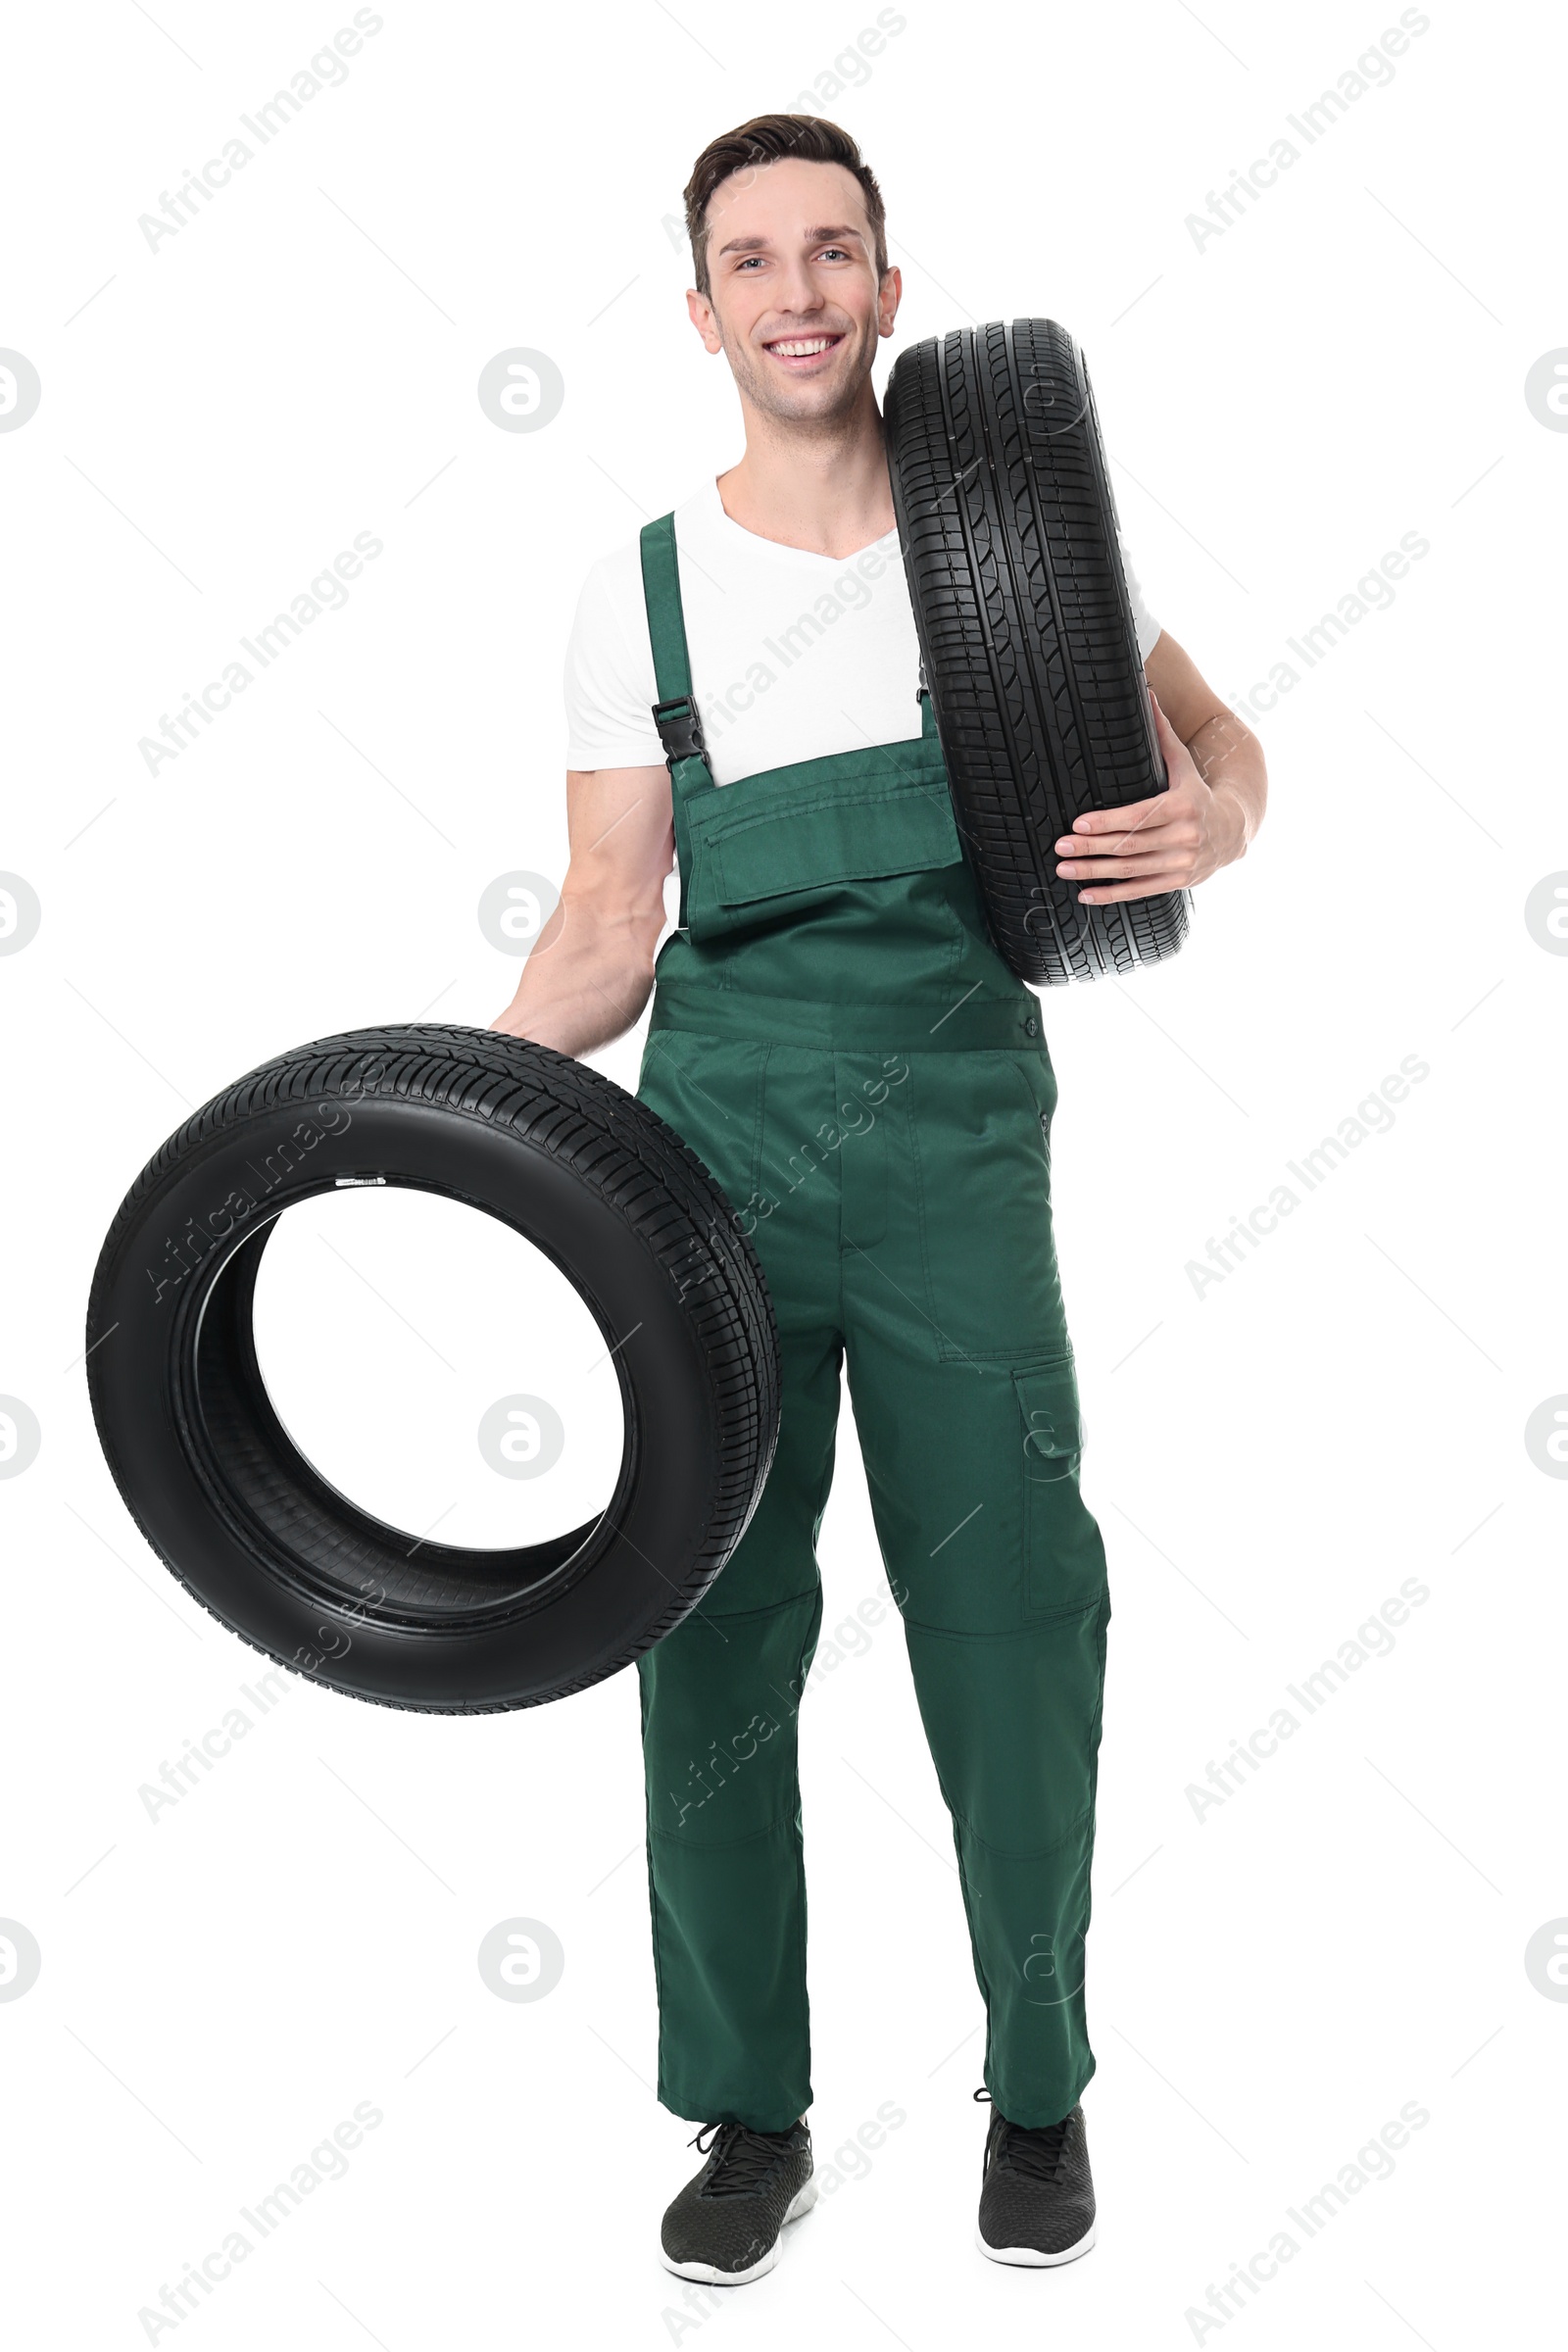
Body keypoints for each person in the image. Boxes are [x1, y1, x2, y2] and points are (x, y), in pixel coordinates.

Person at [493, 113, 1266, 2281]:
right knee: (710, 1637)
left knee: (1014, 1625)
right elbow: (598, 921)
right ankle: (747, 2114)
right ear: (702, 311)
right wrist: (417, 1101)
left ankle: (1038, 2092)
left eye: (833, 248)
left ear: (889, 285)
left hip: (951, 1173)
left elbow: (1217, 747)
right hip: (709, 1183)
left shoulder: (1000, 537)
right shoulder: (636, 586)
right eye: (753, 260)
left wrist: (1215, 816)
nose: (798, 290)